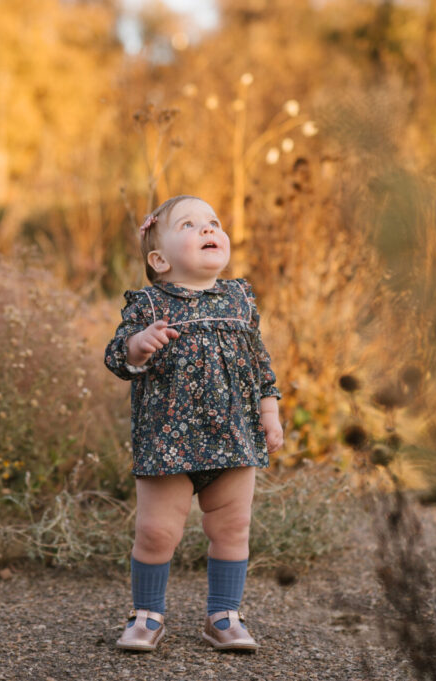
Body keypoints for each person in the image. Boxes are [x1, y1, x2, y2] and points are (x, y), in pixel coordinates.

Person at [104, 195, 283, 652]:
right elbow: (118, 355)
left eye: (213, 222)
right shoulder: (149, 304)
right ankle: (146, 614)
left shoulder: (240, 299)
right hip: (168, 442)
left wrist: (269, 412)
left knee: (232, 526)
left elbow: (259, 363)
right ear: (159, 259)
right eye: (189, 224)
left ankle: (223, 614)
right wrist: (139, 345)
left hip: (235, 438)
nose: (208, 230)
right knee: (157, 532)